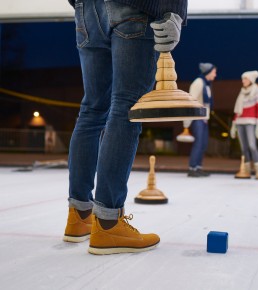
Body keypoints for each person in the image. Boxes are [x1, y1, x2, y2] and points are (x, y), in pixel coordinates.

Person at [63, 0, 187, 255]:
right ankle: (108, 223)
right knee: (127, 107)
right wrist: (175, 9)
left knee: (91, 110)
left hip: (87, 10)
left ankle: (79, 216)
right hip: (134, 7)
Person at [230, 71, 258, 179]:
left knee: (252, 146)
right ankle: (247, 170)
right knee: (244, 148)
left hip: (251, 122)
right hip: (240, 122)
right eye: (242, 79)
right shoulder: (241, 92)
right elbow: (237, 111)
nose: (243, 81)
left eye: (245, 79)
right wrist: (233, 125)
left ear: (251, 80)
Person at [185, 63, 217, 177]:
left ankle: (198, 167)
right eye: (214, 72)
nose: (215, 75)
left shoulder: (207, 84)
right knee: (198, 143)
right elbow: (191, 101)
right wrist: (186, 122)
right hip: (197, 118)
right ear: (208, 72)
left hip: (203, 119)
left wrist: (206, 117)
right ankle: (192, 168)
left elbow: (206, 104)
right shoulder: (198, 83)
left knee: (203, 144)